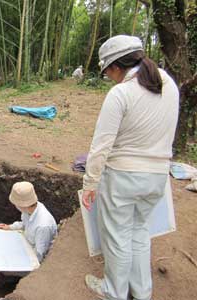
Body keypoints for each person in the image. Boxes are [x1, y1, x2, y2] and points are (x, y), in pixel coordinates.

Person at [82, 35, 179, 300]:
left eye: (107, 72)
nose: (109, 77)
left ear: (114, 66)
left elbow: (101, 146)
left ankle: (113, 291)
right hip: (158, 176)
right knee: (139, 232)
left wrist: (90, 183)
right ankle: (142, 291)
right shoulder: (168, 84)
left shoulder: (121, 93)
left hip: (124, 177)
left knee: (117, 237)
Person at [0, 181, 57, 263]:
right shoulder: (29, 210)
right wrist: (10, 227)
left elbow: (39, 255)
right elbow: (24, 224)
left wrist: (16, 261)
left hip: (32, 256)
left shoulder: (43, 226)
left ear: (21, 205)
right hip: (26, 244)